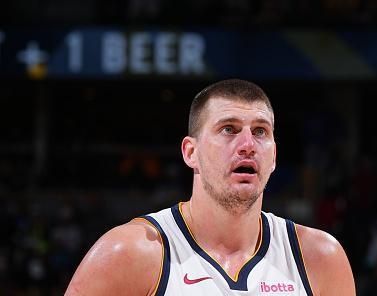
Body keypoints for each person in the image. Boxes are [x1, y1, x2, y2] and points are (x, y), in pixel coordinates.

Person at [65, 79, 356, 295]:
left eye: (260, 131)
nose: (247, 145)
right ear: (191, 153)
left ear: (274, 156)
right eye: (228, 129)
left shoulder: (319, 258)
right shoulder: (128, 254)